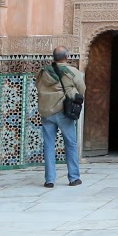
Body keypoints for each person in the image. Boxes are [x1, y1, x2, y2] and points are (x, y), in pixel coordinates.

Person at [35, 48, 84, 187]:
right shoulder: (71, 71)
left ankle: (49, 180)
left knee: (49, 145)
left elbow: (38, 86)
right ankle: (74, 178)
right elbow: (82, 89)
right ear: (67, 57)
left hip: (46, 112)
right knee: (71, 144)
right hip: (63, 112)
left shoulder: (43, 72)